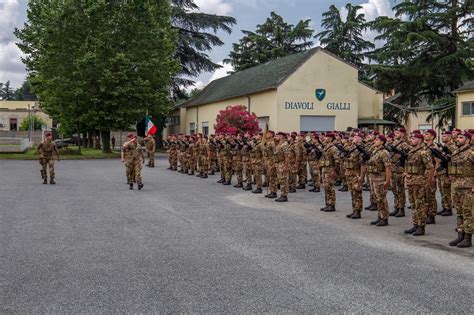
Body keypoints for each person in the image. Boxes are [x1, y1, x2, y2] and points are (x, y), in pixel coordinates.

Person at [404, 132, 435, 236]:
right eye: (411, 138)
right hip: (410, 181)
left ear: (420, 140)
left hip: (419, 182)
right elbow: (408, 165)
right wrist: (406, 173)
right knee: (413, 204)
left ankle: (421, 226)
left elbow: (430, 168)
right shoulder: (411, 152)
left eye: (414, 138)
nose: (411, 140)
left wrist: (427, 182)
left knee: (420, 205)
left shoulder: (423, 152)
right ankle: (415, 224)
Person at [448, 131, 473, 248]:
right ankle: (460, 235)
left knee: (468, 212)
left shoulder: (471, 153)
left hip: (468, 187)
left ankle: (468, 238)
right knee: (459, 212)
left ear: (467, 140)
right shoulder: (455, 152)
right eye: (457, 137)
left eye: (461, 137)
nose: (458, 139)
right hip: (456, 186)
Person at [365, 135, 392, 226]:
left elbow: (387, 167)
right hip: (373, 177)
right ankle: (380, 216)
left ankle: (384, 218)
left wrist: (387, 180)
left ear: (382, 142)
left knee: (381, 199)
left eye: (377, 140)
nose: (374, 141)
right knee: (377, 199)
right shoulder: (374, 151)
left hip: (380, 178)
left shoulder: (384, 152)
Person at [388, 128, 411, 217]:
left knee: (400, 190)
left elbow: (408, 158)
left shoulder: (405, 145)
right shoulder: (393, 143)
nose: (395, 134)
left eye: (397, 133)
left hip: (400, 170)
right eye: (395, 132)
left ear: (403, 134)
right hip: (393, 169)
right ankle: (396, 207)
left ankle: (401, 208)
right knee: (394, 189)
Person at [345, 132, 366, 219]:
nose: (354, 138)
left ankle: (358, 211)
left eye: (356, 137)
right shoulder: (351, 147)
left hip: (356, 174)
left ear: (360, 139)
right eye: (354, 136)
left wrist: (362, 176)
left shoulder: (361, 149)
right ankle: (354, 209)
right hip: (349, 173)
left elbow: (363, 164)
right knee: (352, 193)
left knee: (357, 193)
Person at [319, 132, 340, 212]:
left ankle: (332, 205)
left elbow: (337, 161)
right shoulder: (326, 147)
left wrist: (334, 171)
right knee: (326, 187)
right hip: (325, 170)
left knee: (330, 188)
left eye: (326, 137)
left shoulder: (333, 148)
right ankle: (327, 204)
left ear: (330, 138)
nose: (325, 138)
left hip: (330, 170)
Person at [273, 132, 289, 202]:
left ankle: (284, 196)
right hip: (278, 164)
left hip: (282, 164)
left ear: (282, 136)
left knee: (283, 180)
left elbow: (286, 156)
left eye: (279, 135)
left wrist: (285, 166)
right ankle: (282, 194)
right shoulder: (279, 144)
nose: (277, 136)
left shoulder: (285, 144)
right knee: (280, 180)